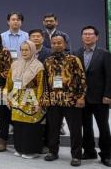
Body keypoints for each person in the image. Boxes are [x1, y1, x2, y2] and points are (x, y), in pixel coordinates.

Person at [41, 34, 86, 167]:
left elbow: (82, 79)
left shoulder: (73, 59)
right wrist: (46, 98)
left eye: (59, 43)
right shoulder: (47, 60)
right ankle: (53, 152)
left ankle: (76, 155)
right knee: (53, 129)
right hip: (54, 101)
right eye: (54, 43)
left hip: (71, 100)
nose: (56, 45)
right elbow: (45, 82)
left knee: (75, 130)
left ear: (65, 44)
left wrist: (81, 97)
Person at [74, 26, 111, 167]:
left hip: (100, 98)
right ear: (82, 37)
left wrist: (108, 94)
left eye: (90, 34)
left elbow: (109, 76)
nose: (87, 36)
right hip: (82, 98)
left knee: (103, 127)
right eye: (85, 34)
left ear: (97, 37)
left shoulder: (105, 53)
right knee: (86, 127)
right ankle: (89, 151)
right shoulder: (76, 53)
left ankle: (106, 154)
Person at [6, 40, 46, 159]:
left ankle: (31, 151)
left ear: (32, 50)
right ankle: (19, 148)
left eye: (26, 50)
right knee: (18, 126)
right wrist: (7, 97)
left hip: (31, 100)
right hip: (16, 99)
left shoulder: (38, 66)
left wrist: (39, 102)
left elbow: (41, 86)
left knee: (31, 127)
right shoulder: (15, 64)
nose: (24, 52)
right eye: (22, 50)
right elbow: (9, 83)